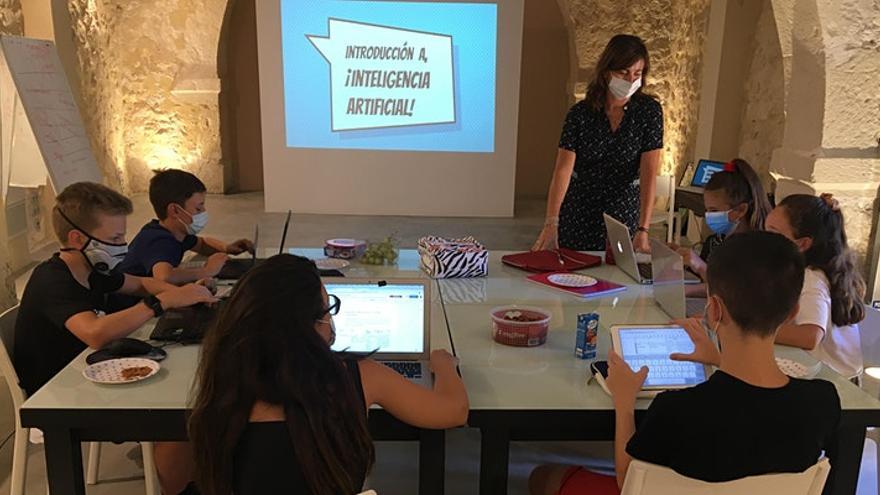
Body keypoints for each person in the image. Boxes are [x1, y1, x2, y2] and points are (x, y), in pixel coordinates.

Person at [529, 231, 840, 495]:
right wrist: (718, 359)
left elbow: (627, 481)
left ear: (714, 310)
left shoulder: (677, 408)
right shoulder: (822, 401)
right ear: (792, 312)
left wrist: (624, 403)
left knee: (543, 477)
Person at [155, 254, 469, 494]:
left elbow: (172, 480)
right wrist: (444, 367)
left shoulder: (223, 382)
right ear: (312, 324)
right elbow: (453, 412)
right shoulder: (356, 375)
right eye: (326, 308)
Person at [13, 182, 216, 397]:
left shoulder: (93, 270)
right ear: (77, 239)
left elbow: (140, 283)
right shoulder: (52, 280)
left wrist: (182, 294)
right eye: (114, 239)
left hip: (89, 373)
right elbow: (95, 333)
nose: (123, 246)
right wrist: (161, 302)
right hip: (57, 394)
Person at [533, 34, 663, 253]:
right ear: (606, 73)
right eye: (623, 73)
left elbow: (649, 173)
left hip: (622, 214)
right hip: (579, 210)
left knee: (617, 280)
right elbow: (563, 170)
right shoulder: (580, 114)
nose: (631, 80)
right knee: (573, 276)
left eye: (637, 73)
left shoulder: (648, 112)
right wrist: (551, 222)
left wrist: (643, 229)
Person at [767, 193, 866, 379]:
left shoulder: (811, 279)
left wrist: (749, 328)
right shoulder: (808, 270)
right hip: (826, 374)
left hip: (837, 383)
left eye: (773, 233)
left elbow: (809, 337)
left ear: (803, 243)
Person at [116, 169, 253, 285]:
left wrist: (227, 248)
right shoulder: (159, 240)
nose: (203, 212)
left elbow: (202, 244)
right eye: (198, 208)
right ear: (175, 210)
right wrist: (206, 271)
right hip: (126, 305)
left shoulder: (177, 233)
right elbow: (164, 277)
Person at [673, 158, 771, 295]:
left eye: (714, 211)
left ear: (741, 210)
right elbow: (712, 285)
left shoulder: (760, 251)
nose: (708, 216)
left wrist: (700, 267)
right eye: (707, 210)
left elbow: (737, 292)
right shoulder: (717, 241)